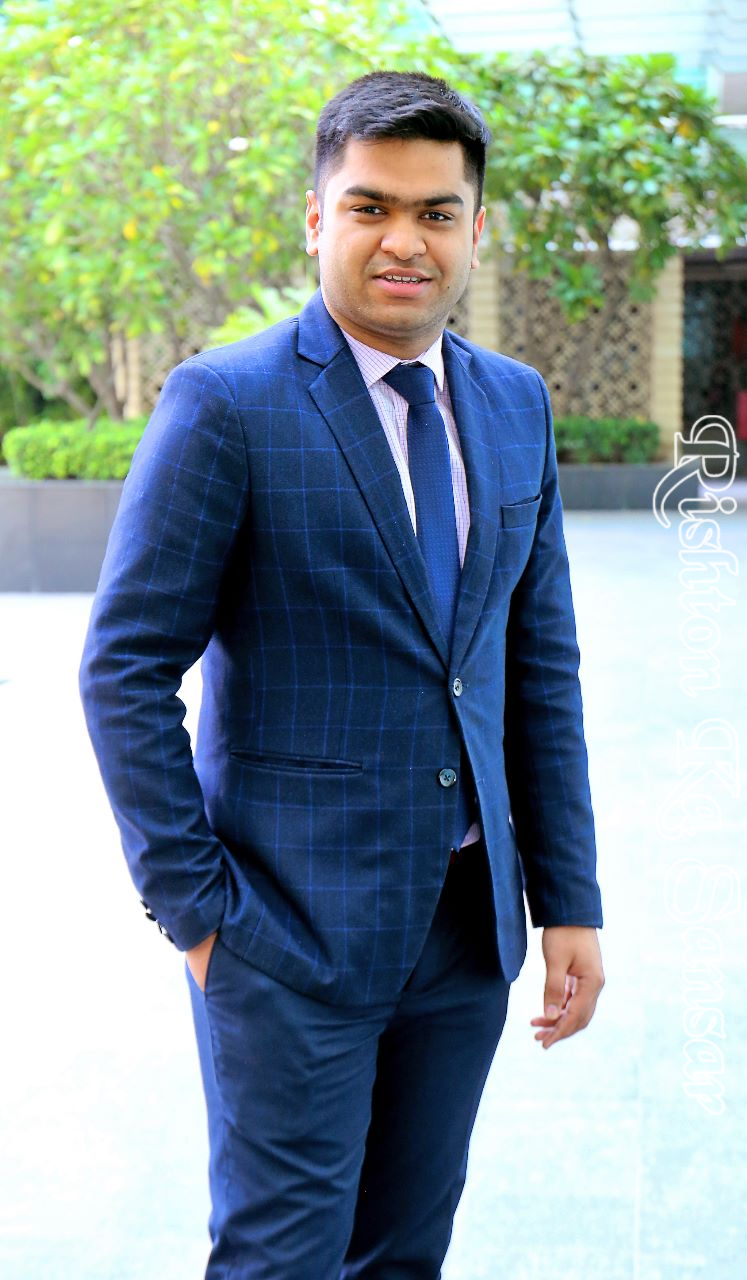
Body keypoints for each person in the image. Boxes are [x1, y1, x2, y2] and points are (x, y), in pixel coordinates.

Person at [80, 70, 605, 1280]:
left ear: (477, 229)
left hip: (465, 931)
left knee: (406, 1251)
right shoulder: (227, 403)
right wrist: (201, 915)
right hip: (286, 934)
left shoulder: (515, 405)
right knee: (282, 1257)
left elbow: (538, 667)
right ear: (318, 218)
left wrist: (568, 898)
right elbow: (124, 667)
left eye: (436, 212)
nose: (404, 240)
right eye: (371, 206)